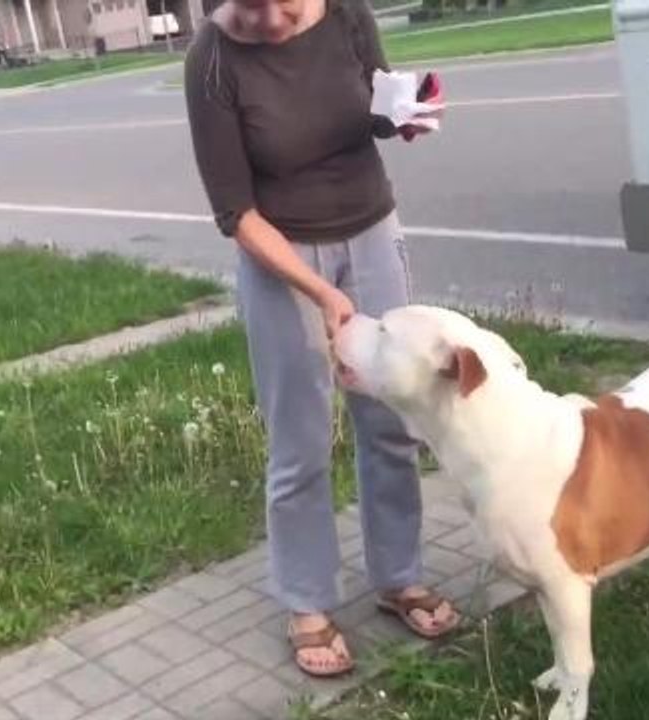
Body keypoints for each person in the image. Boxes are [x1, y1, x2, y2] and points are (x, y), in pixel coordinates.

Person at [183, 0, 457, 678]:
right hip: (281, 253)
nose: (273, 19)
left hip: (371, 231)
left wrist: (405, 115)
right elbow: (235, 212)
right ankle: (306, 602)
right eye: (253, 7)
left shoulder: (349, 16)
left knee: (391, 418)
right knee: (300, 437)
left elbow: (372, 105)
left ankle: (399, 577)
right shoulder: (212, 60)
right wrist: (325, 297)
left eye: (286, 3)